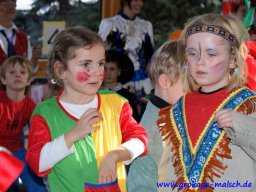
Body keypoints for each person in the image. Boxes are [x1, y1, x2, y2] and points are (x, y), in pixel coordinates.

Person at [26, 26, 148, 192]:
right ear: (61, 70)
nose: (96, 72)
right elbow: (37, 163)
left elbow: (141, 140)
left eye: (100, 64)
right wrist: (74, 134)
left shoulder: (116, 104)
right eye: (85, 64)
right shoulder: (46, 113)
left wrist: (115, 155)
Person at [157, 13, 256, 192]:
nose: (200, 61)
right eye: (192, 53)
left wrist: (242, 125)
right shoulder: (178, 107)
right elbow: (169, 168)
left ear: (233, 59)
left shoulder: (250, 103)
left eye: (211, 54)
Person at [127, 40, 186, 192]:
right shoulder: (156, 129)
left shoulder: (169, 113)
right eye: (189, 86)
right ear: (165, 81)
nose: (196, 93)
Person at [0, 56, 46, 192]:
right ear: (3, 80)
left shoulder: (30, 104)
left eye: (22, 72)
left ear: (29, 81)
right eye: (12, 72)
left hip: (19, 150)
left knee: (37, 186)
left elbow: (39, 130)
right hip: (1, 151)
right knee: (8, 186)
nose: (18, 75)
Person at [98, 0, 154, 102]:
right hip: (117, 78)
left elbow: (150, 53)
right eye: (136, 0)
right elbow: (100, 53)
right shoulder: (109, 23)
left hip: (141, 80)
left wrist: (151, 64)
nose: (141, 3)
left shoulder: (146, 25)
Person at [0, 0, 40, 68]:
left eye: (13, 5)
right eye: (5, 4)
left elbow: (29, 69)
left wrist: (34, 59)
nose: (11, 8)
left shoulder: (23, 37)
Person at [101, 50, 140, 121]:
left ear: (119, 72)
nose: (108, 73)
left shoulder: (127, 96)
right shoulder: (95, 94)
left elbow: (134, 121)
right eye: (105, 69)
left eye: (112, 69)